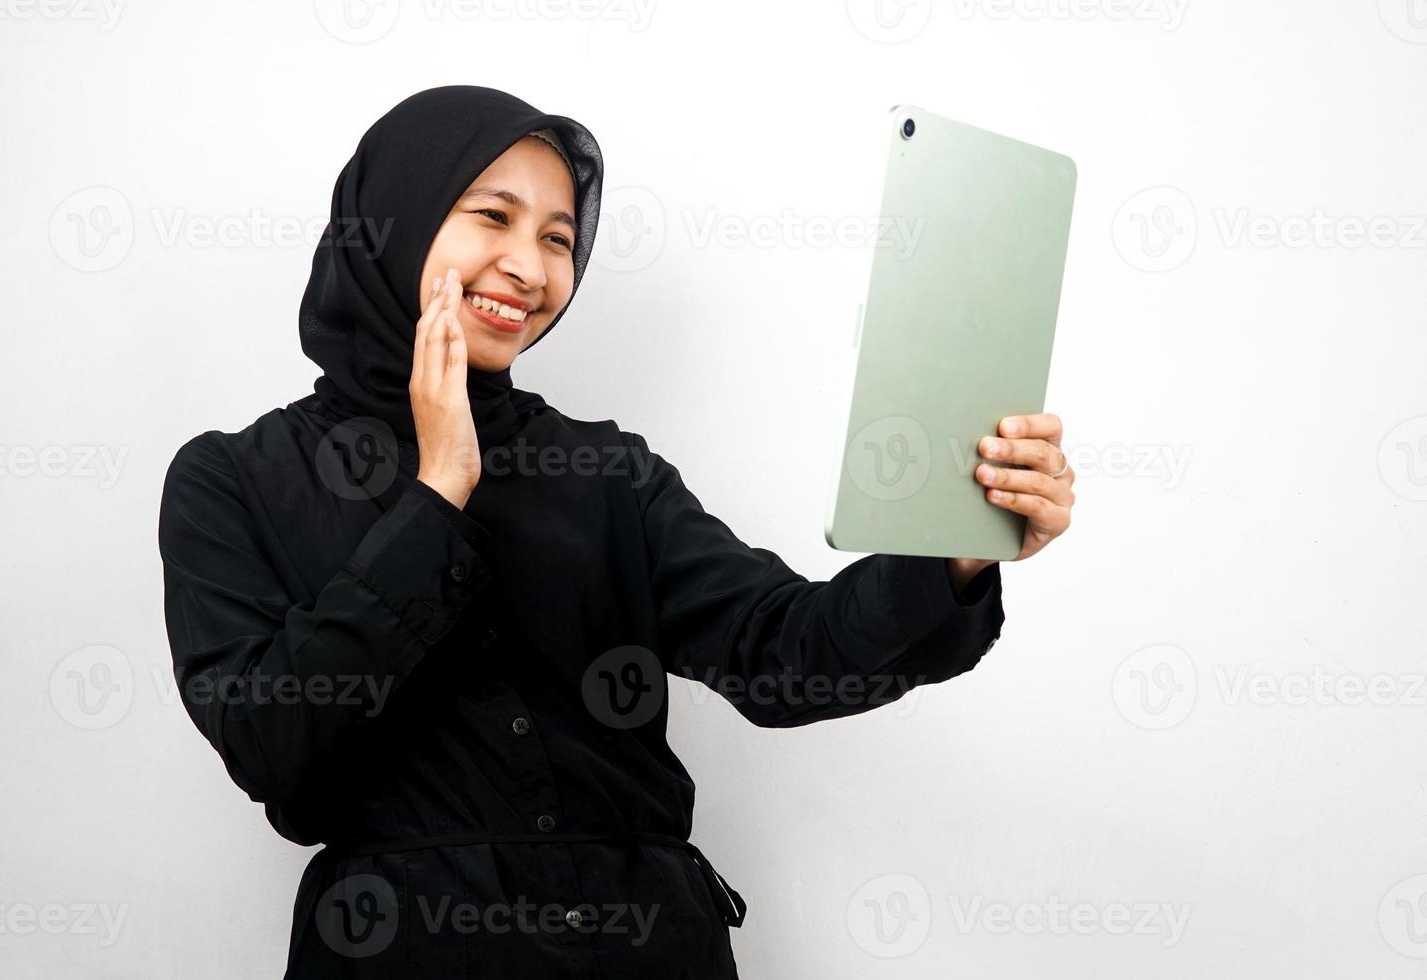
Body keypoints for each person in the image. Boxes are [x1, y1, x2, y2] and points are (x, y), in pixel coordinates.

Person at [157, 84, 1074, 979]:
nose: (531, 268)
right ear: (390, 221)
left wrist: (952, 553)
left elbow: (783, 652)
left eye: (558, 239)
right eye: (493, 217)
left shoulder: (605, 474)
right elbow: (272, 745)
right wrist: (438, 493)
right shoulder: (231, 481)